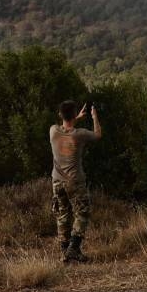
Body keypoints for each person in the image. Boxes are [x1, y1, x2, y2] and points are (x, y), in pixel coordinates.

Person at [50, 100, 102, 263]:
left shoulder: (53, 131)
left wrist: (75, 117)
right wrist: (94, 117)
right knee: (82, 213)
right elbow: (98, 135)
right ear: (73, 114)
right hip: (75, 181)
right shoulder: (79, 134)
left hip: (57, 180)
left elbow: (65, 126)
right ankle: (74, 248)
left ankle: (65, 252)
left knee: (62, 215)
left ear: (60, 115)